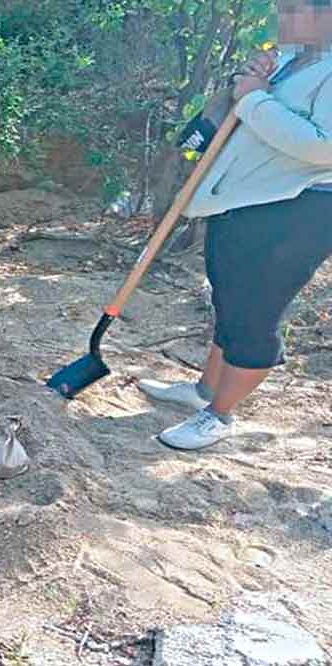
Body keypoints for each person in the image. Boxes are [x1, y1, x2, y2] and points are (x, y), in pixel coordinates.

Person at [139, 0, 332, 451]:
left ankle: (220, 414)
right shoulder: (296, 58)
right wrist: (256, 82)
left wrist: (254, 97)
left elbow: (322, 148)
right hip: (248, 200)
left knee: (255, 311)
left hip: (299, 210)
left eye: (293, 11)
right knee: (227, 294)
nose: (281, 20)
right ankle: (205, 389)